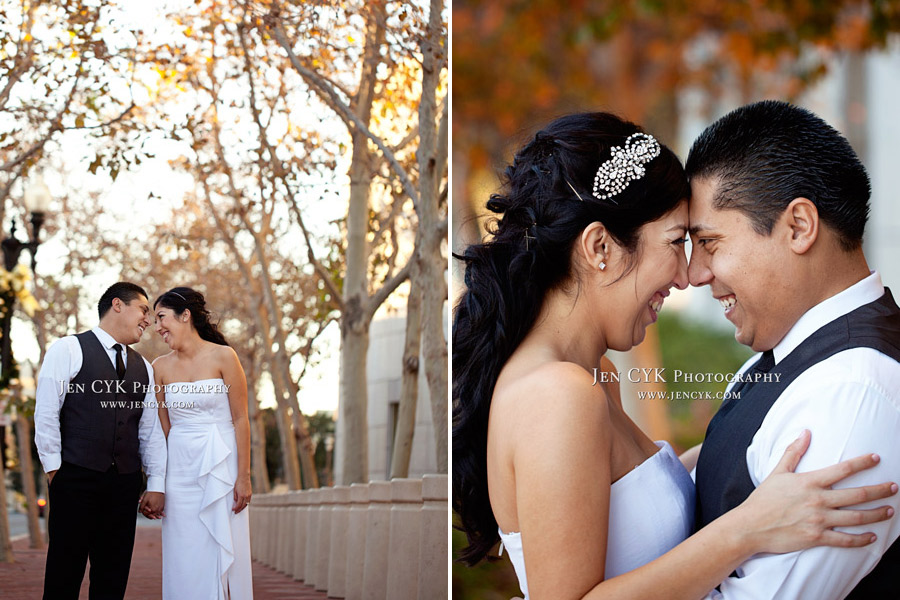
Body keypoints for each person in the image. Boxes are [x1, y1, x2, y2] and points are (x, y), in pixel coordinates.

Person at [452, 113, 897, 600]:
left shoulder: (594, 378)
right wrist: (747, 528)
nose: (689, 275)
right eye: (679, 242)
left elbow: (627, 502)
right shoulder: (557, 394)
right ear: (599, 246)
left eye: (705, 242)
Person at [685, 100, 900, 599]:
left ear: (799, 226)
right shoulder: (789, 352)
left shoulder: (852, 391)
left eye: (710, 244)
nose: (695, 274)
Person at [34, 281, 167, 600]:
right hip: (75, 477)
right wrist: (55, 471)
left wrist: (156, 483)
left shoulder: (144, 368)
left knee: (113, 575)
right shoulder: (67, 349)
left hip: (123, 484)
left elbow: (149, 430)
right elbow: (47, 412)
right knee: (64, 574)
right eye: (144, 310)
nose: (148, 320)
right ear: (117, 305)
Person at [151, 286, 253, 599]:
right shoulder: (159, 367)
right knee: (184, 551)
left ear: (185, 315)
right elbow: (163, 429)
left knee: (222, 548)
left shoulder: (224, 356)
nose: (157, 327)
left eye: (162, 317)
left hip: (222, 466)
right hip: (180, 471)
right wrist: (160, 482)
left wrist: (244, 476)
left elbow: (240, 419)